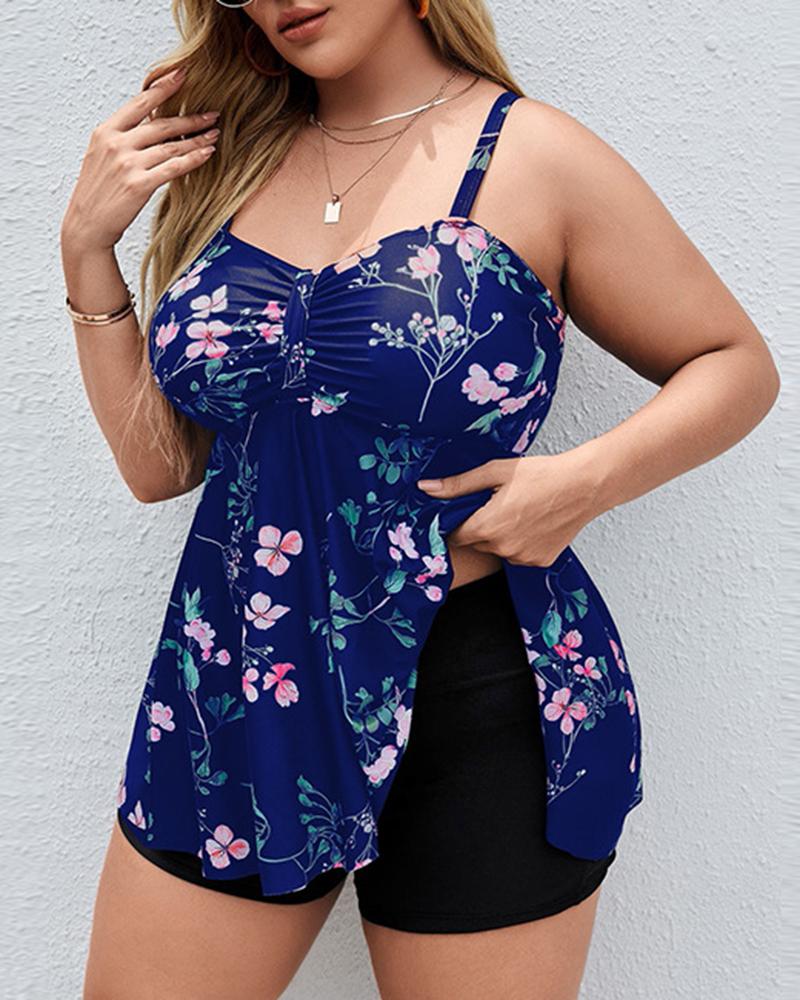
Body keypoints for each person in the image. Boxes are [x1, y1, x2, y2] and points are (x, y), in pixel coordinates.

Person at [61, 2, 779, 998]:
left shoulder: (533, 155)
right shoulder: (230, 163)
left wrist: (580, 482)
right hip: (239, 684)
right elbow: (158, 468)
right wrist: (87, 248)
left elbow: (733, 363)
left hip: (474, 693)